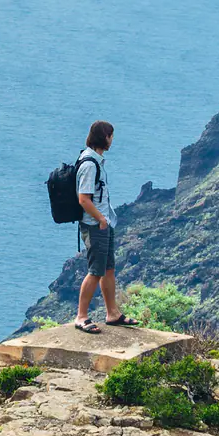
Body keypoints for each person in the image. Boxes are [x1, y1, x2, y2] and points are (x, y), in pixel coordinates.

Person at [72, 120, 134, 333]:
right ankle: (81, 317)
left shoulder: (94, 161)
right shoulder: (90, 165)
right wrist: (100, 219)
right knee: (95, 271)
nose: (112, 140)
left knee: (108, 269)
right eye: (111, 136)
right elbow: (83, 199)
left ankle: (112, 313)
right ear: (104, 137)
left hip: (103, 222)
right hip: (94, 225)